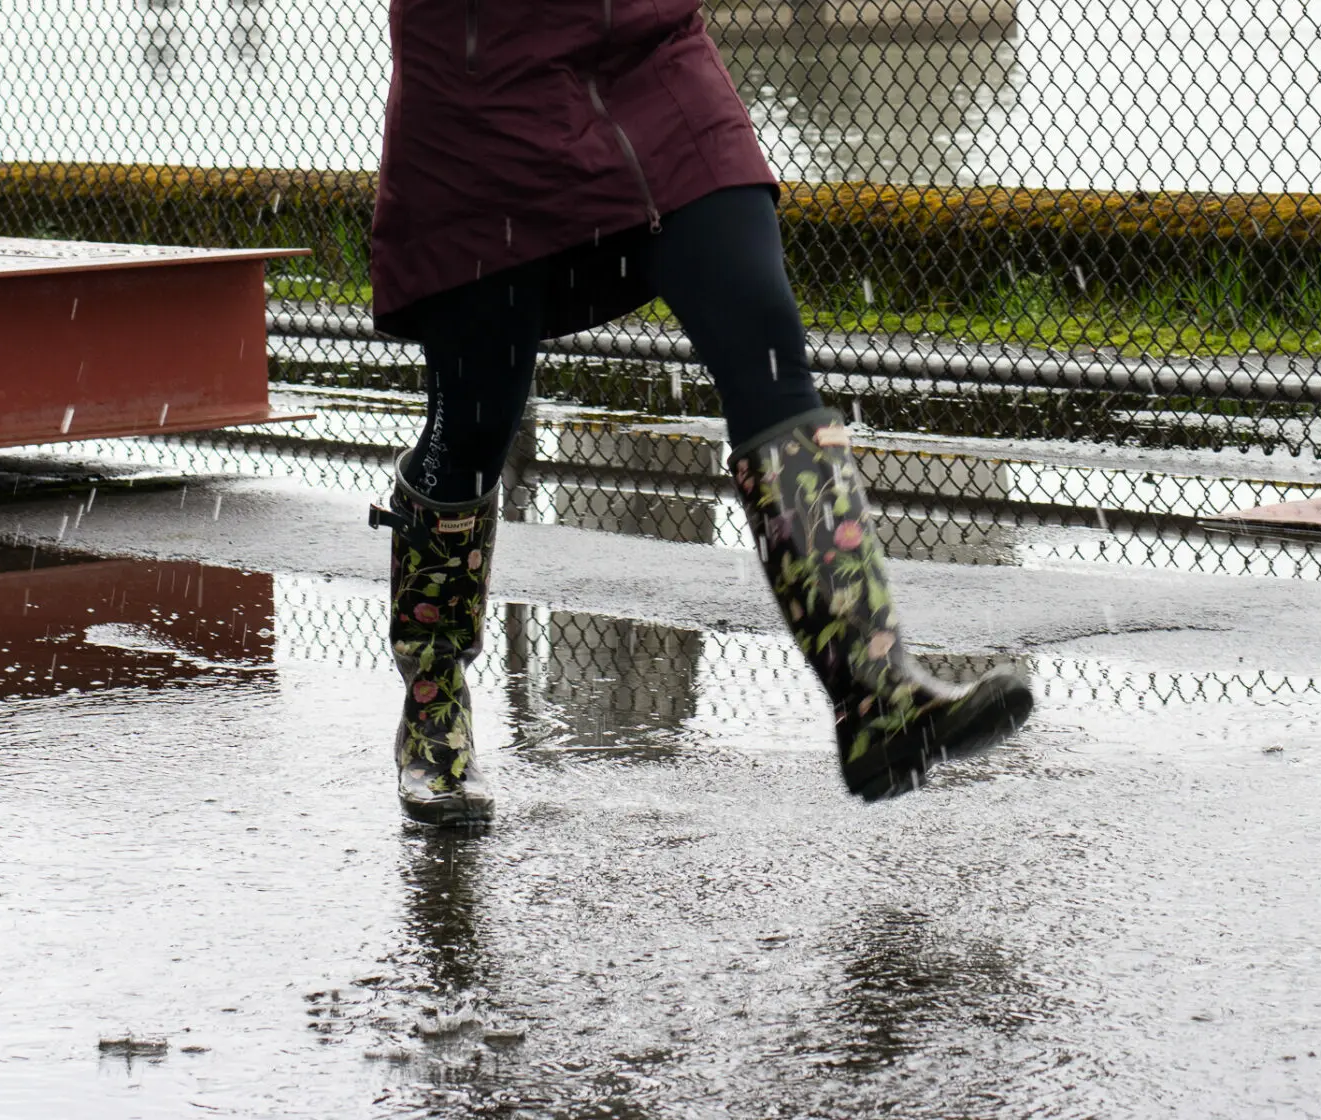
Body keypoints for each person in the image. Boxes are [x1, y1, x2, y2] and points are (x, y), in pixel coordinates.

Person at [366, 0, 1034, 827]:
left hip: (652, 62)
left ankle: (873, 695)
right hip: (485, 93)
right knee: (472, 428)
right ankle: (433, 708)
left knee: (766, 353)